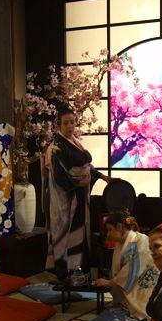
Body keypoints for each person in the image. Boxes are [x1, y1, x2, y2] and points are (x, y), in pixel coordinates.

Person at [44, 106, 116, 280]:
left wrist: (102, 177)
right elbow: (59, 175)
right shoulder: (56, 147)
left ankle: (80, 270)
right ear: (59, 125)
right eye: (66, 123)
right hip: (68, 198)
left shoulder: (74, 142)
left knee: (81, 231)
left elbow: (86, 166)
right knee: (68, 233)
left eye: (72, 122)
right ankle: (66, 272)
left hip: (80, 196)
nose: (70, 126)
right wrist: (77, 183)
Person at [95, 212, 159, 320]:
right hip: (135, 280)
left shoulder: (138, 241)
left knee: (143, 307)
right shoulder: (122, 242)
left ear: (119, 227)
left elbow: (131, 270)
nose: (108, 234)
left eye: (110, 230)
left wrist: (110, 282)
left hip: (147, 283)